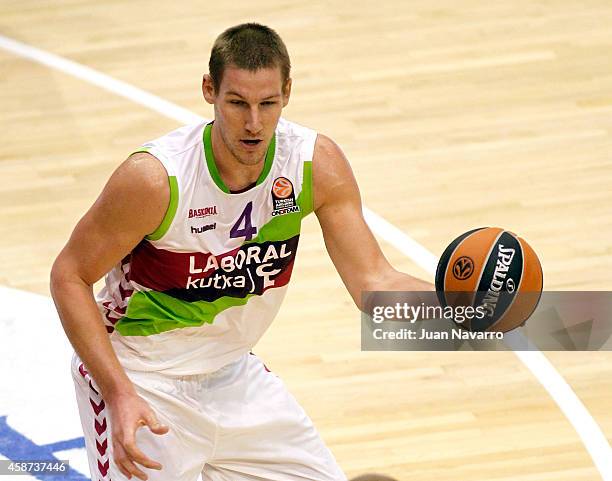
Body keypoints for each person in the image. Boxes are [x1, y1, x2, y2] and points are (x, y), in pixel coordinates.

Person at [50, 23, 431, 481]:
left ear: (287, 93)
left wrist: (478, 308)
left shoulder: (314, 164)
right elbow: (68, 276)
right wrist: (118, 393)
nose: (254, 123)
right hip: (142, 378)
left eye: (268, 104)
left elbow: (375, 284)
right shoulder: (155, 180)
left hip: (232, 375)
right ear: (209, 91)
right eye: (238, 103)